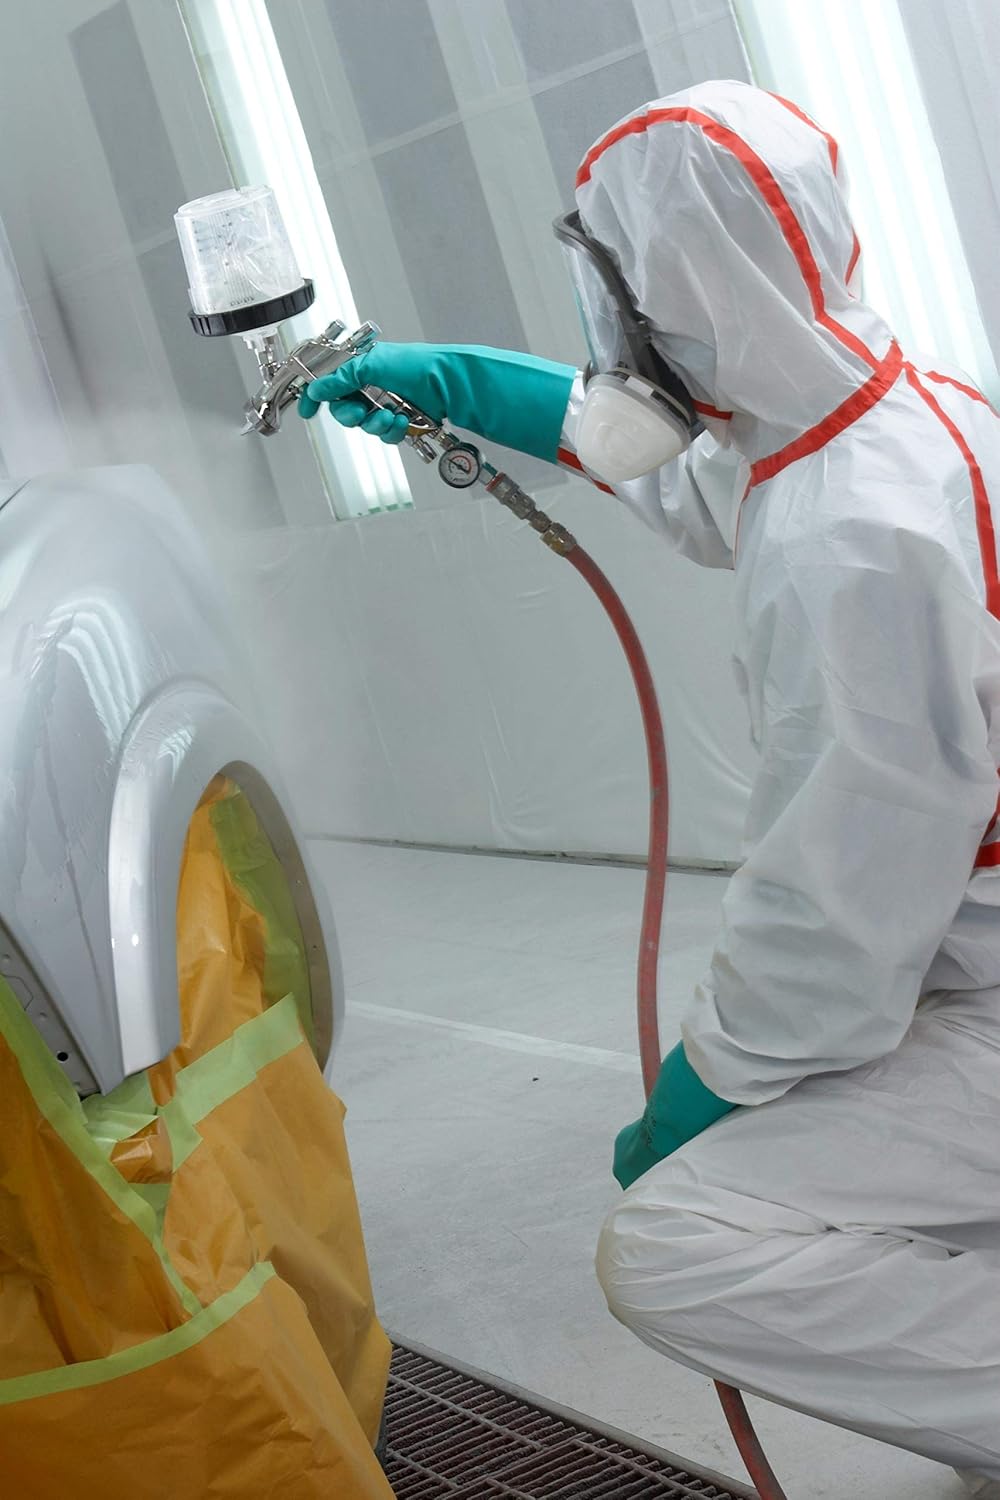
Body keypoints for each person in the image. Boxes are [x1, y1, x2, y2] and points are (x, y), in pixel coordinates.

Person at [299, 80, 1000, 1494]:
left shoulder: (849, 548)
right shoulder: (899, 417)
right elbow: (707, 478)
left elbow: (834, 930)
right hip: (969, 958)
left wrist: (706, 1085)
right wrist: (473, 391)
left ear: (680, 291)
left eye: (622, 291)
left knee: (684, 1242)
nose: (614, 329)